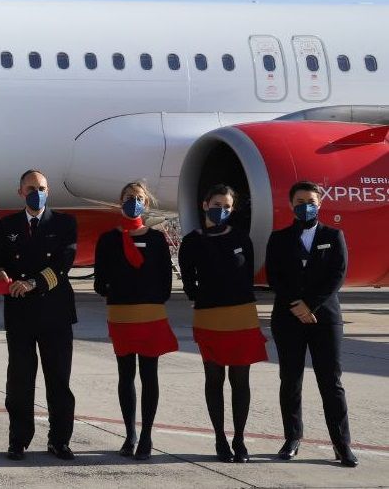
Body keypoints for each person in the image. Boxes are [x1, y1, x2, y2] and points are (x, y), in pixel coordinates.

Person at [267, 181, 356, 467]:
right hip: (289, 318)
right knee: (290, 380)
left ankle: (342, 444)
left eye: (311, 201)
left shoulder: (334, 234)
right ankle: (292, 438)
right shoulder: (279, 238)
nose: (306, 205)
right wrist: (297, 305)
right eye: (300, 200)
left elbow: (337, 274)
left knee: (331, 382)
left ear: (320, 204)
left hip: (324, 319)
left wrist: (311, 305)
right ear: (291, 204)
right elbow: (275, 277)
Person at [178, 184, 267, 464]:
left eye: (227, 206)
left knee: (240, 381)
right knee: (214, 380)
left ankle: (239, 439)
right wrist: (202, 298)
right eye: (217, 204)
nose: (222, 210)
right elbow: (188, 280)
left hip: (242, 316)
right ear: (205, 205)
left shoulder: (242, 237)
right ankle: (220, 438)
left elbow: (248, 273)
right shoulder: (192, 241)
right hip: (210, 317)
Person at [0, 169, 78, 461]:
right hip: (20, 313)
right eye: (30, 188)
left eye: (41, 187)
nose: (36, 192)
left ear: (48, 190)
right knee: (19, 382)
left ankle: (60, 440)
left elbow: (64, 264)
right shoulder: (7, 225)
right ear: (20, 192)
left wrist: (32, 283)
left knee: (58, 381)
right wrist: (0, 272)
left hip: (55, 313)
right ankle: (18, 440)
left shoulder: (65, 223)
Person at [92, 181, 179, 461]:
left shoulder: (156, 239)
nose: (134, 201)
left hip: (149, 314)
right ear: (120, 200)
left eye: (139, 198)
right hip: (121, 315)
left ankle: (147, 436)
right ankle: (130, 434)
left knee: (149, 375)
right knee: (125, 375)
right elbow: (99, 281)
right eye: (129, 197)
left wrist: (145, 296)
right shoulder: (108, 239)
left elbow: (166, 280)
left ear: (147, 203)